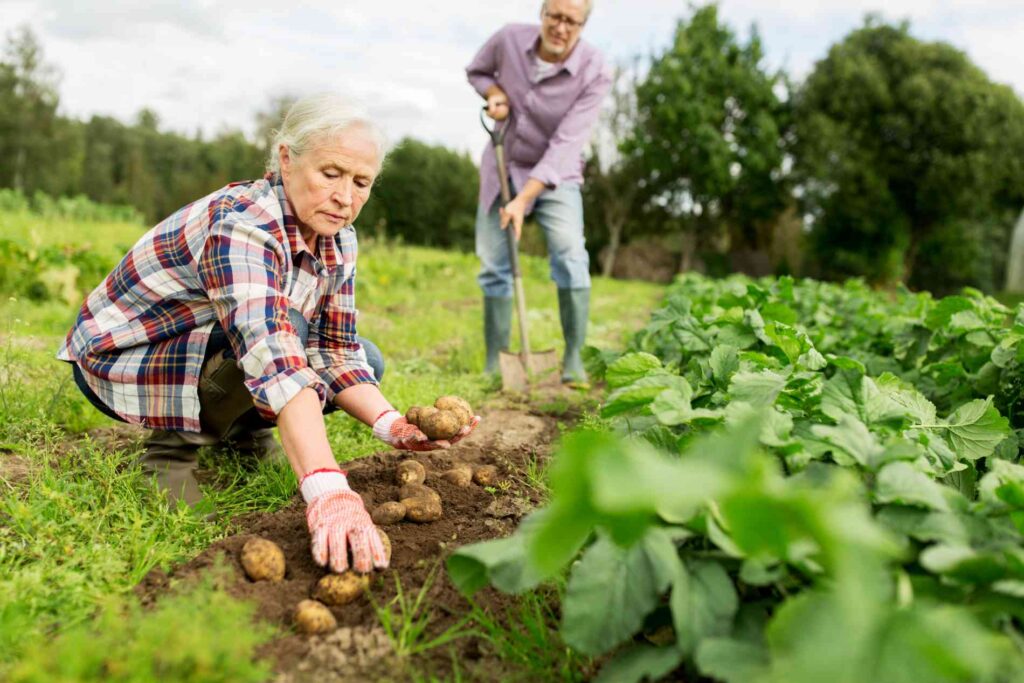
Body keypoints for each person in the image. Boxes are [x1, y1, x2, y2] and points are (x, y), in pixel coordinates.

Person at [57, 93, 478, 574]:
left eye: (361, 182)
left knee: (368, 358)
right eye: (331, 173)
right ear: (286, 159)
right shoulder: (244, 223)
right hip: (130, 359)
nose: (345, 196)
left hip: (209, 348)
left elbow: (336, 349)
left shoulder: (339, 236)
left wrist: (392, 425)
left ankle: (243, 436)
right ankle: (169, 450)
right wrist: (327, 486)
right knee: (287, 333)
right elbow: (272, 350)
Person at [466, 0, 611, 384]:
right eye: (555, 16)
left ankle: (574, 359)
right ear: (542, 14)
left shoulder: (595, 71)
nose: (561, 27)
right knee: (494, 264)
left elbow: (566, 144)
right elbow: (477, 71)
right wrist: (495, 93)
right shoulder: (509, 39)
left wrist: (523, 199)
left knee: (569, 254)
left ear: (583, 25)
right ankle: (495, 362)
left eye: (572, 21)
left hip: (556, 175)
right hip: (501, 163)